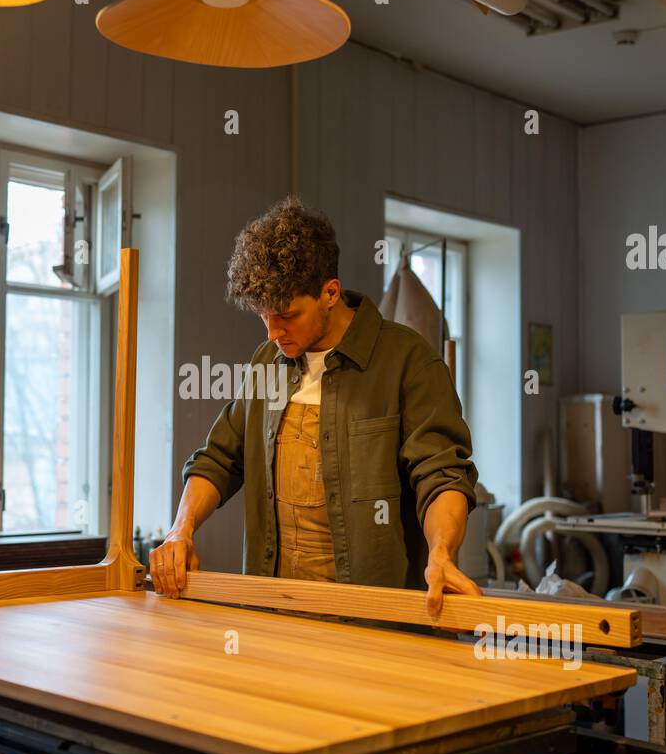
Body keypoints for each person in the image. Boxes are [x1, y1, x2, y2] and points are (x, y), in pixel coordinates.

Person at [150, 196, 480, 618]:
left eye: (286, 315)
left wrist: (442, 553)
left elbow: (442, 475)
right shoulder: (267, 364)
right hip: (275, 619)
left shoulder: (407, 361)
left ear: (329, 292)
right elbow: (218, 458)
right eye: (263, 316)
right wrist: (181, 530)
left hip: (374, 624)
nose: (273, 333)